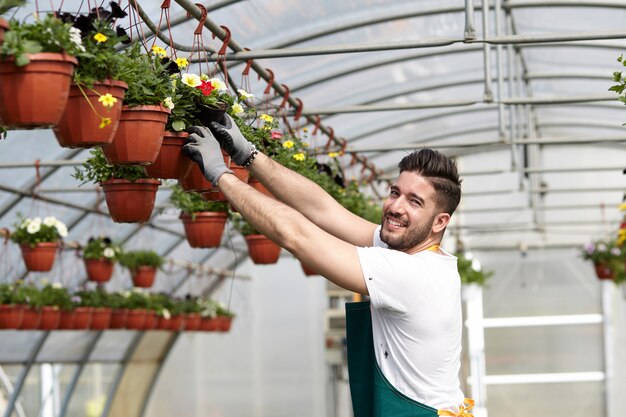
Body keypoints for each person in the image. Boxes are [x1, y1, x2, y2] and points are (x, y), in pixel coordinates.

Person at [183, 116, 472, 417]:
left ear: (440, 222)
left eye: (415, 202)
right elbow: (324, 210)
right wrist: (248, 154)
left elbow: (296, 236)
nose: (396, 207)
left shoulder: (411, 274)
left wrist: (221, 174)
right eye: (395, 192)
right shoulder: (415, 253)